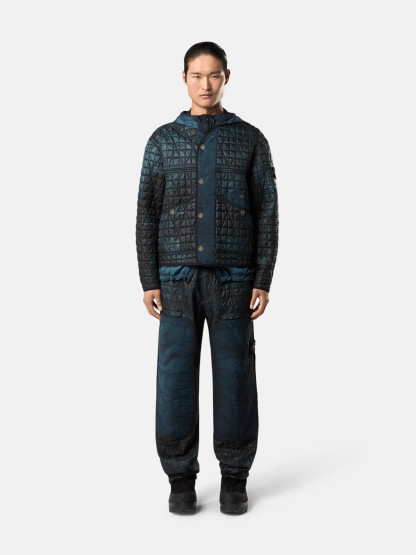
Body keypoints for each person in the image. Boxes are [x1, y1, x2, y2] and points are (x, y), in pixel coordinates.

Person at [136, 41, 279, 515]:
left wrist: (262, 277)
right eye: (197, 75)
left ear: (226, 77)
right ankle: (180, 478)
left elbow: (267, 211)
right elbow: (147, 212)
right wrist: (149, 278)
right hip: (175, 281)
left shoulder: (251, 140)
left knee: (235, 377)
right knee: (175, 377)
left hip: (234, 280)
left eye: (214, 74)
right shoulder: (162, 141)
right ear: (184, 78)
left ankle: (234, 477)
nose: (205, 84)